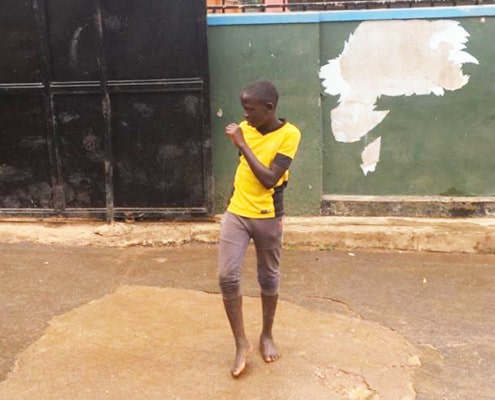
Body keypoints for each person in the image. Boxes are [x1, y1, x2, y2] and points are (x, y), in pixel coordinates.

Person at [218, 80, 301, 378]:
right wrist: (233, 200)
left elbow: (268, 178)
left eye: (249, 109)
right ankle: (241, 342)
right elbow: (245, 170)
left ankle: (267, 334)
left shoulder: (289, 135)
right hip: (237, 212)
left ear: (269, 108)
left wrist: (242, 143)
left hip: (267, 216)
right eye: (244, 109)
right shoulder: (246, 128)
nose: (245, 115)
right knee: (227, 277)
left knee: (268, 277)